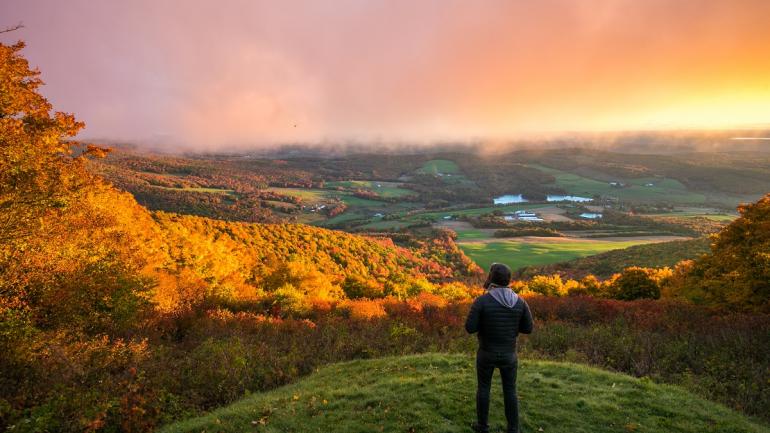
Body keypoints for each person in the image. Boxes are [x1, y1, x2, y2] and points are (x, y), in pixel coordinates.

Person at [465, 263, 533, 433]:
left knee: (483, 388)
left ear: (491, 279)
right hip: (509, 354)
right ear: (508, 280)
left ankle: (482, 427)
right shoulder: (520, 302)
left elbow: (470, 328)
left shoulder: (482, 301)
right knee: (510, 390)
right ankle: (513, 429)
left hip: (486, 352)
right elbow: (528, 329)